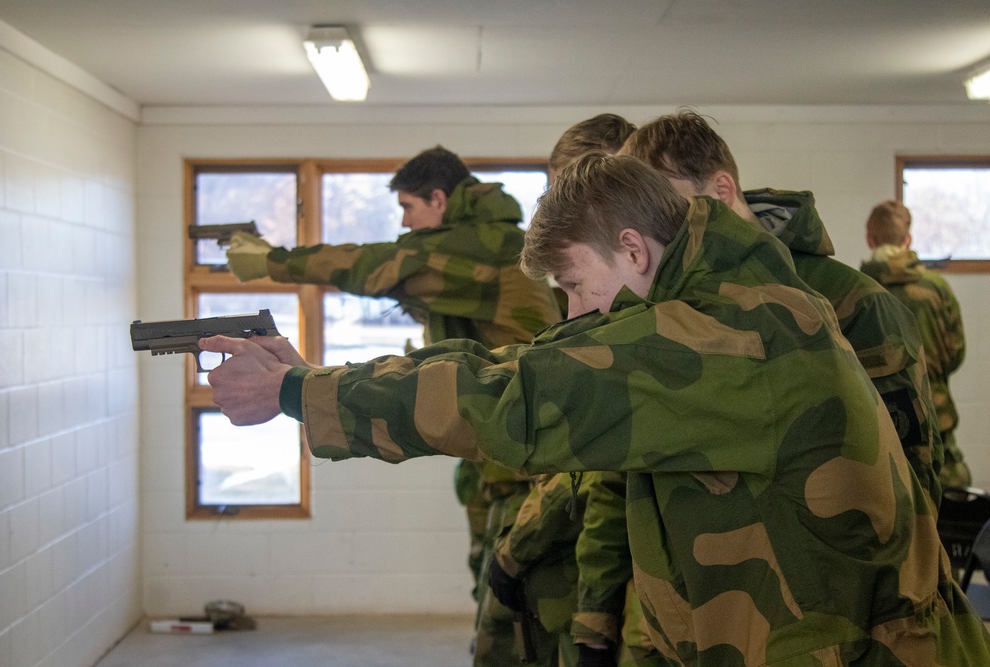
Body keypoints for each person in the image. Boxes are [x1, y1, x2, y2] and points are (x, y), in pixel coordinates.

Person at [201, 153, 990, 665]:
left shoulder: (724, 336)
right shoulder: (735, 300)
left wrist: (299, 393)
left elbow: (524, 395)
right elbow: (522, 363)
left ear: (635, 250)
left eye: (579, 284)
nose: (574, 314)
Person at [225, 145, 562, 614]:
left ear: (439, 200)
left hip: (524, 444)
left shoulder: (483, 243)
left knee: (513, 608)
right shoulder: (488, 241)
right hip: (507, 438)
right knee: (496, 589)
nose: (404, 223)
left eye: (408, 207)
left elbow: (375, 265)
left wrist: (272, 261)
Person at [617, 110, 945, 506]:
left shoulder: (853, 303)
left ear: (721, 190)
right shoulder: (666, 310)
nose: (653, 228)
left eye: (666, 203)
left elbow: (908, 487)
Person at [476, 114, 641, 667]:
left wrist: (518, 549)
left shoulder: (644, 318)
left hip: (595, 564)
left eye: (571, 189)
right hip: (566, 535)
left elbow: (609, 476)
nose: (557, 207)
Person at [862, 200, 970, 488]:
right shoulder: (936, 288)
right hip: (933, 411)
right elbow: (956, 354)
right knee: (949, 502)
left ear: (869, 238)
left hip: (875, 417)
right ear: (908, 239)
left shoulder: (854, 288)